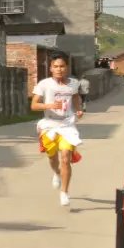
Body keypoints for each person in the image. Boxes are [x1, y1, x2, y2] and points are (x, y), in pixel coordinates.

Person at [31, 53, 84, 207]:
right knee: (52, 157)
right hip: (50, 125)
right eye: (56, 66)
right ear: (51, 68)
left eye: (62, 66)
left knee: (66, 157)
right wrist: (49, 105)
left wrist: (78, 109)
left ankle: (64, 192)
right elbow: (33, 105)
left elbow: (75, 97)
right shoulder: (44, 84)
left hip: (67, 125)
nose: (59, 69)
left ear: (67, 68)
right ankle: (56, 172)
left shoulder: (73, 84)